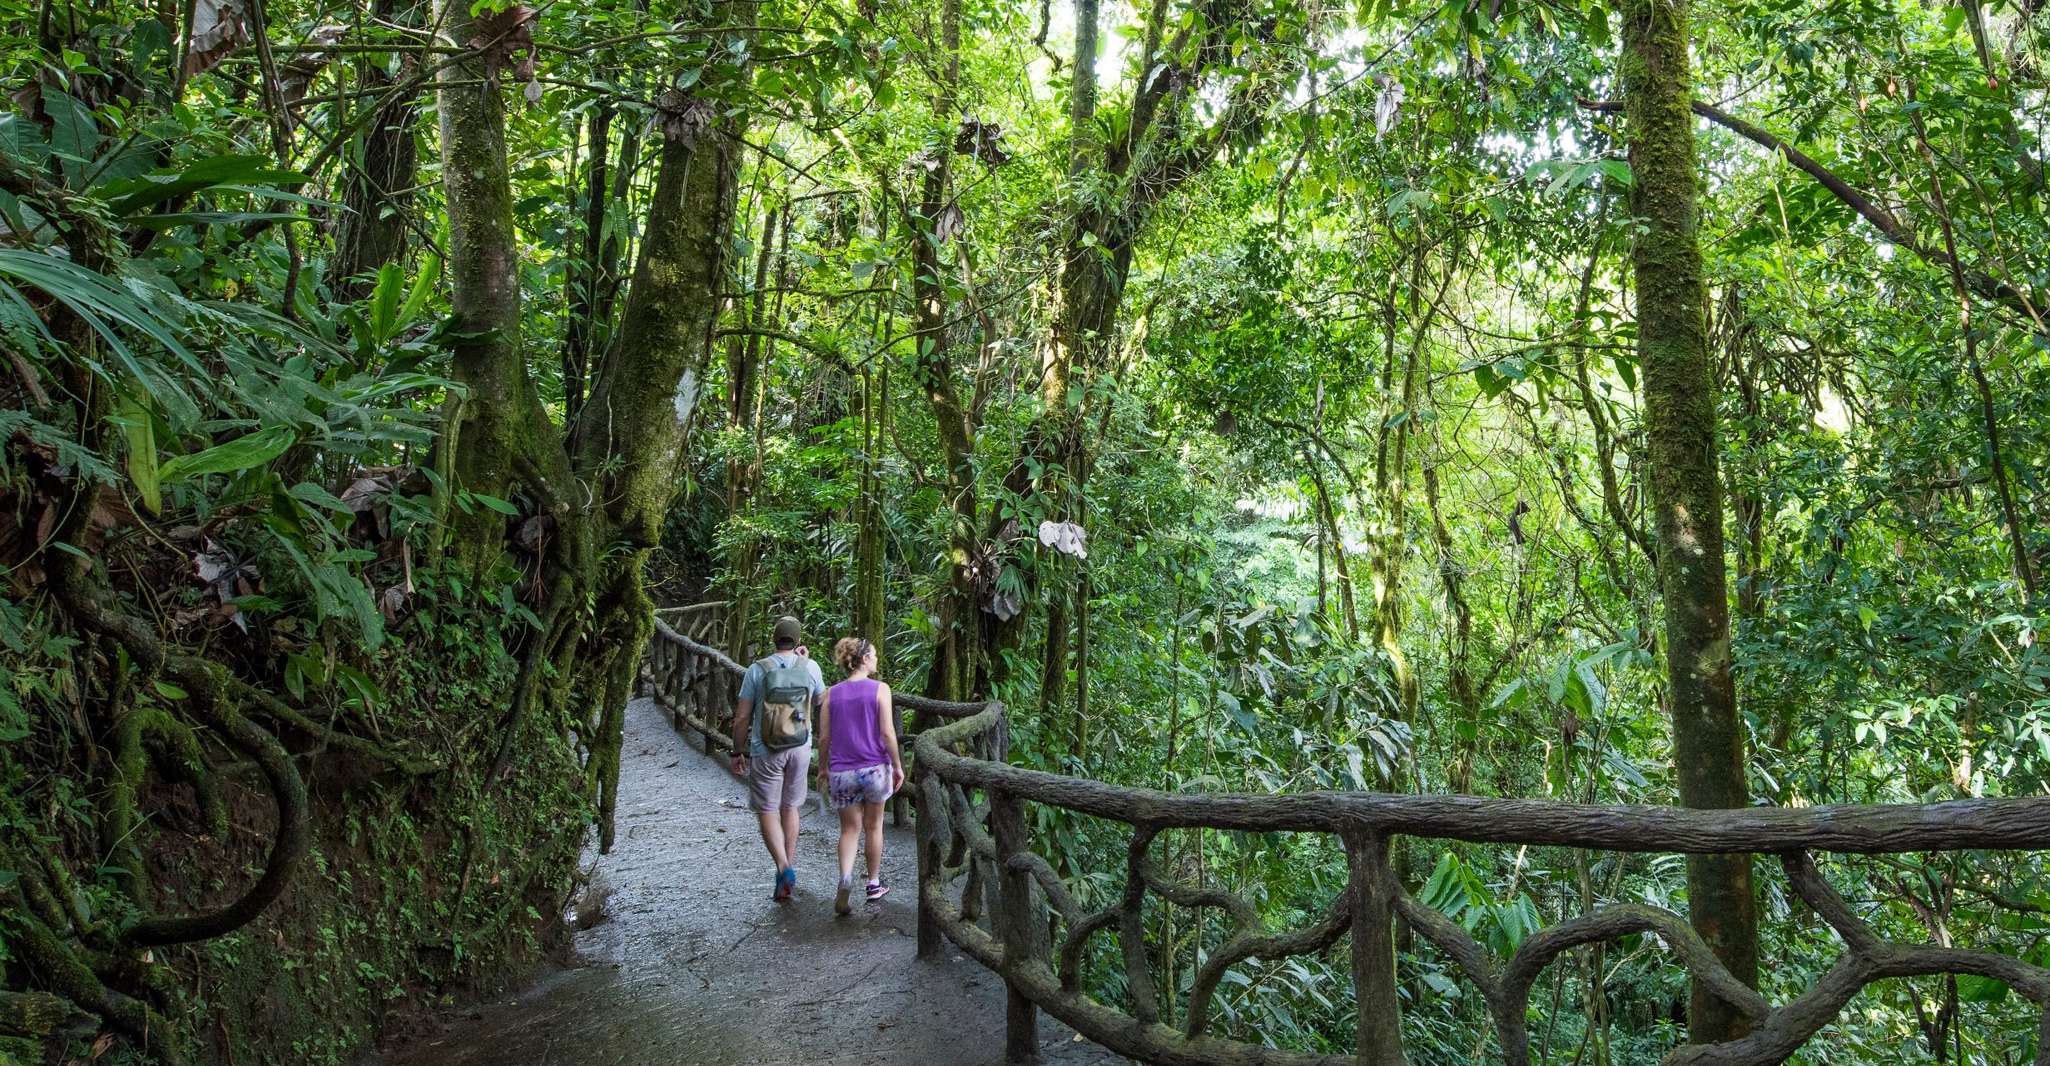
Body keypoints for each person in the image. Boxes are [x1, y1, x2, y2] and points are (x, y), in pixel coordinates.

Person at [732, 615, 825, 901]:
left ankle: (783, 867)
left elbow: (742, 717)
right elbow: (820, 701)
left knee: (767, 810)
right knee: (791, 807)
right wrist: (804, 662)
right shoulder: (811, 667)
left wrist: (737, 750)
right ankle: (785, 873)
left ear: (774, 639)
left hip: (766, 749)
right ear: (798, 641)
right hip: (800, 747)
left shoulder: (757, 670)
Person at [814, 636, 905, 916]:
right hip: (875, 768)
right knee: (874, 826)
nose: (877, 660)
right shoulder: (881, 690)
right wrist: (898, 765)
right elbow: (888, 733)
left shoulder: (831, 693)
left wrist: (822, 767)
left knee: (849, 829)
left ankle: (845, 878)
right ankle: (874, 884)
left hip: (842, 770)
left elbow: (824, 736)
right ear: (864, 659)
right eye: (874, 655)